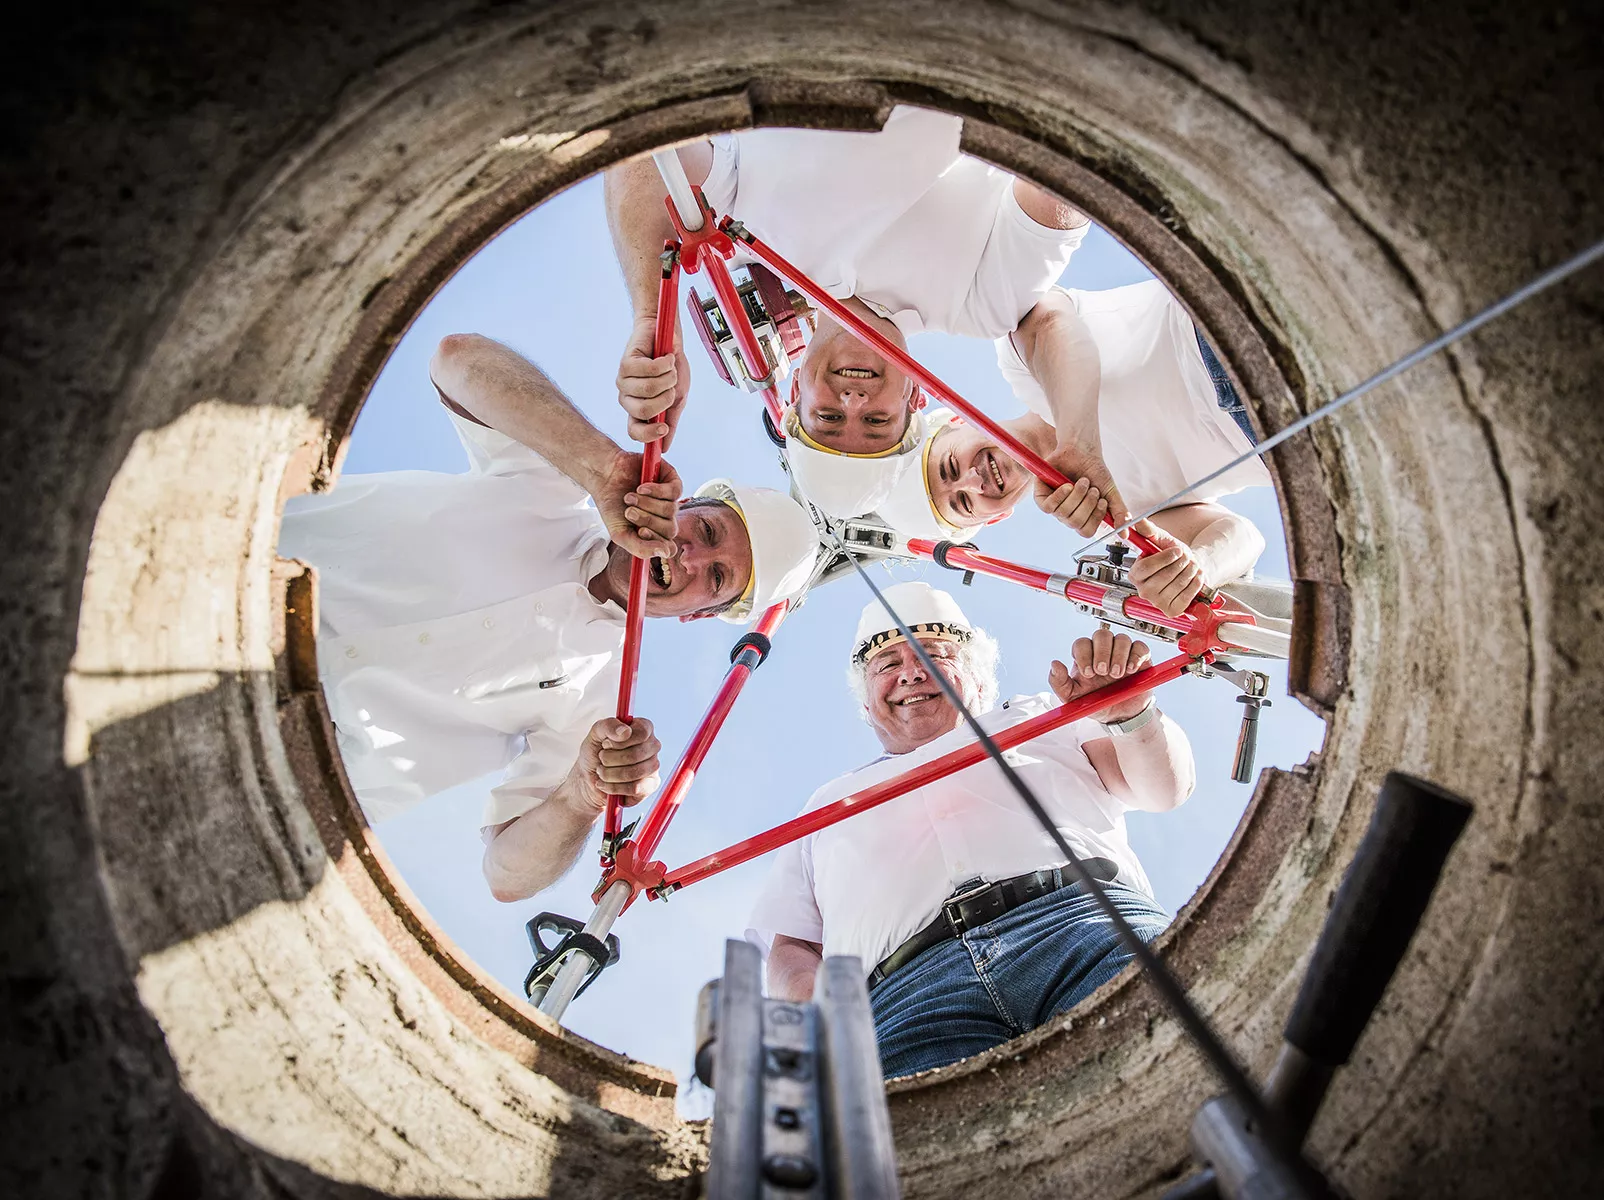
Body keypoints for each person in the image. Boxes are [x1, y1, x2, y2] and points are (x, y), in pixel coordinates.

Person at [278, 334, 820, 901]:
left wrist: (580, 799)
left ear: (697, 616)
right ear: (681, 505)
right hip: (228, 568)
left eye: (715, 578)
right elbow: (456, 361)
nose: (690, 557)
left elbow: (507, 876)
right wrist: (604, 468)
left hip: (282, 766)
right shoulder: (550, 482)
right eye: (707, 531)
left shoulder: (600, 712)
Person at [748, 582, 1195, 1077]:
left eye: (933, 655)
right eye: (888, 665)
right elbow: (794, 948)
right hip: (906, 996)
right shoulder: (826, 804)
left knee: (1181, 1053)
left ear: (979, 678)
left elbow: (1163, 790)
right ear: (867, 703)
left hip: (1081, 925)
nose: (912, 673)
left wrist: (1132, 716)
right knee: (921, 1144)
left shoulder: (1044, 715)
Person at [603, 105, 1113, 521]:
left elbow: (646, 145)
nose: (852, 399)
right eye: (875, 421)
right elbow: (1060, 187)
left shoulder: (744, 235)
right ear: (914, 398)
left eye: (828, 417)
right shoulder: (978, 307)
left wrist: (652, 320)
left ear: (796, 389)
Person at [873, 277, 1272, 616]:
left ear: (957, 422)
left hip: (1228, 326)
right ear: (996, 518)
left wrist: (1079, 443)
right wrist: (1200, 564)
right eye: (963, 503)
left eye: (948, 467)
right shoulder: (1113, 516)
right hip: (1280, 447)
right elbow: (1241, 535)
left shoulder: (1019, 359)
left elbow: (1049, 320)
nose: (974, 480)